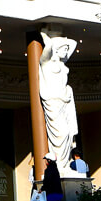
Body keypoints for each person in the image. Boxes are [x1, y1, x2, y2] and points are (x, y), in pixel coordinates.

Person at [38, 31, 79, 168]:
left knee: (68, 133)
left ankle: (64, 164)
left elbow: (73, 43)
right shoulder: (46, 63)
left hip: (64, 102)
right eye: (64, 49)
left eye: (66, 49)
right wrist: (49, 41)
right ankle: (59, 164)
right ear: (56, 49)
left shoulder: (62, 63)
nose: (66, 51)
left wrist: (62, 41)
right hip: (53, 102)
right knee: (62, 133)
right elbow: (47, 51)